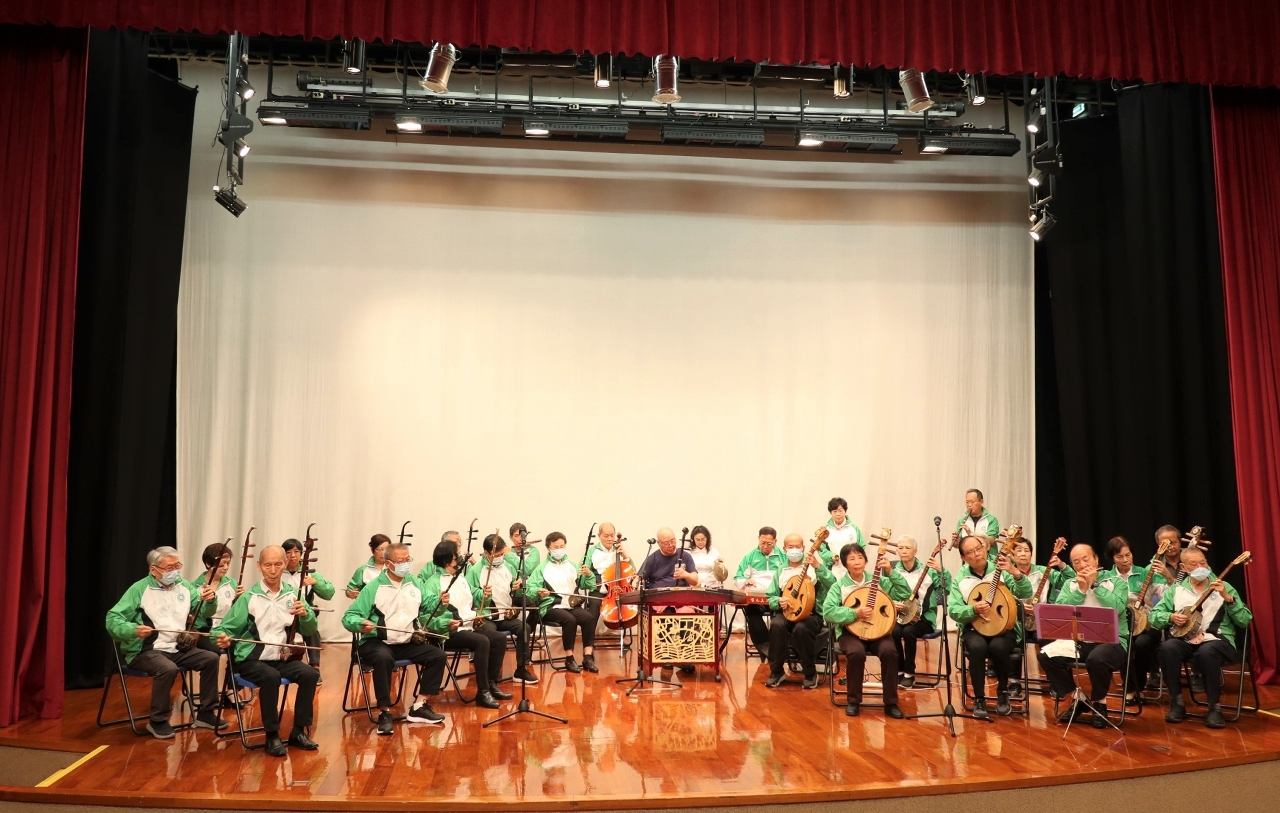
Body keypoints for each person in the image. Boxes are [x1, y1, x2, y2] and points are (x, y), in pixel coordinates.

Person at [105, 546, 224, 739]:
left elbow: (202, 613)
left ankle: (206, 713)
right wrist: (133, 630)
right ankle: (157, 720)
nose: (175, 571)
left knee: (210, 658)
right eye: (170, 568)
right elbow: (113, 619)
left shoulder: (184, 586)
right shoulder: (139, 589)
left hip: (178, 647)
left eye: (178, 566)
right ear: (153, 570)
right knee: (167, 668)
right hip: (146, 650)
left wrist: (210, 601)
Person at [213, 545, 319, 756]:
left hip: (281, 658)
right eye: (268, 565)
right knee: (271, 676)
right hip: (252, 659)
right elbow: (223, 629)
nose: (273, 570)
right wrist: (222, 637)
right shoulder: (249, 597)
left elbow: (310, 630)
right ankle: (272, 735)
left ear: (285, 564)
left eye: (278, 564)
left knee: (310, 674)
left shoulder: (293, 595)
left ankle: (298, 731)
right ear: (259, 566)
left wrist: (306, 615)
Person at [341, 542, 448, 734]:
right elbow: (350, 616)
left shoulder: (415, 582)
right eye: (401, 561)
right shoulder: (373, 587)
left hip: (406, 641)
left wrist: (441, 602)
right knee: (383, 658)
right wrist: (361, 623)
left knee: (437, 655)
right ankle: (385, 711)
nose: (406, 564)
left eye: (408, 559)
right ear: (388, 563)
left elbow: (429, 606)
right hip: (377, 642)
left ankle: (419, 706)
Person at [1151, 546, 1253, 729]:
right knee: (1167, 648)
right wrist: (1170, 617)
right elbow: (1154, 616)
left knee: (1207, 652)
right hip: (1186, 640)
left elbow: (1244, 620)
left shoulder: (1224, 587)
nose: (1200, 567)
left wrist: (1227, 598)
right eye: (1194, 564)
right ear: (1183, 567)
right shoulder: (1176, 590)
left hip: (1218, 641)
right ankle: (1177, 702)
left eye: (1203, 563)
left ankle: (1214, 707)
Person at [1037, 543, 1130, 728]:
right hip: (1080, 640)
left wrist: (1094, 585)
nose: (1081, 565)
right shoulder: (1070, 584)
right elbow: (1061, 610)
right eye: (1076, 562)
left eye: (1085, 559)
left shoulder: (1116, 581)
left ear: (1096, 559)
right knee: (1045, 655)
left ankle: (1100, 703)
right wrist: (1080, 590)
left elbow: (1118, 608)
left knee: (1097, 659)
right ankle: (1079, 698)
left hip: (1113, 641)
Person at [947, 535, 1032, 719]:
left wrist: (1015, 572)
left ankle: (1003, 691)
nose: (977, 554)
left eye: (979, 548)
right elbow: (953, 610)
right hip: (974, 627)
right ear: (963, 557)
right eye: (970, 552)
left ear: (986, 548)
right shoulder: (960, 579)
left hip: (1004, 626)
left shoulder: (1001, 569)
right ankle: (979, 698)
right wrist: (972, 609)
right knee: (977, 647)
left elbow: (1026, 592)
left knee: (998, 646)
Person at [823, 542, 909, 717]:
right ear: (845, 563)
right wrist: (854, 613)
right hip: (850, 632)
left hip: (879, 631)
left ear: (866, 560)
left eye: (860, 557)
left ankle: (891, 702)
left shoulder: (878, 581)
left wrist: (891, 572)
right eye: (852, 558)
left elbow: (905, 594)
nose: (857, 562)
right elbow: (828, 612)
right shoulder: (839, 586)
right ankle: (853, 701)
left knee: (890, 652)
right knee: (856, 653)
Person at [424, 539, 511, 708]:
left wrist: (484, 594)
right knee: (482, 641)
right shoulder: (433, 583)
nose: (460, 559)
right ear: (446, 560)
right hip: (449, 631)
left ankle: (492, 683)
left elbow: (474, 597)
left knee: (499, 638)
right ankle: (483, 692)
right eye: (456, 557)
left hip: (469, 625)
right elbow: (426, 616)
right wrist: (445, 623)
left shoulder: (460, 577)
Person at [764, 533, 834, 690]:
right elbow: (771, 596)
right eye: (791, 547)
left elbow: (832, 583)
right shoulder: (781, 570)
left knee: (801, 628)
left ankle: (810, 673)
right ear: (784, 549)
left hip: (811, 614)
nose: (794, 550)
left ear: (803, 548)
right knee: (776, 624)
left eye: (797, 547)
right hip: (788, 612)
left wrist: (818, 566)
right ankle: (777, 672)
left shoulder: (813, 566)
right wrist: (778, 601)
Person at [468, 533, 540, 685]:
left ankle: (521, 670)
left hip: (505, 615)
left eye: (502, 554)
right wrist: (482, 594)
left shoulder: (508, 567)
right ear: (486, 553)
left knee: (524, 628)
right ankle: (491, 679)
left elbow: (515, 593)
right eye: (497, 555)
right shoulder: (475, 571)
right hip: (487, 617)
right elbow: (469, 596)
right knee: (495, 637)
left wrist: (518, 587)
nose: (500, 557)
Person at [530, 532, 599, 673]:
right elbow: (530, 588)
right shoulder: (542, 568)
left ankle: (587, 657)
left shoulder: (572, 565)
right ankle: (569, 658)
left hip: (571, 605)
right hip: (551, 606)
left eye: (562, 546)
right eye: (556, 547)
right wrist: (538, 591)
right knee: (569, 620)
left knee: (588, 618)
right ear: (548, 548)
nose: (559, 550)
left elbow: (587, 585)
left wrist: (588, 575)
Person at [1105, 535, 1164, 702]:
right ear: (1112, 558)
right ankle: (1131, 688)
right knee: (1126, 643)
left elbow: (1167, 595)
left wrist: (1167, 576)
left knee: (1142, 643)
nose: (1125, 560)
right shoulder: (1106, 577)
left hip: (1147, 624)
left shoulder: (1145, 573)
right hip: (1121, 625)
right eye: (1119, 556)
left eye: (1128, 555)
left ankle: (1138, 686)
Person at [890, 534, 948, 688]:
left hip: (924, 617)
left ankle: (909, 673)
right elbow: (886, 594)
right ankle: (899, 670)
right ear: (897, 551)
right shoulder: (893, 571)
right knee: (894, 631)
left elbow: (946, 589)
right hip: (901, 615)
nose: (904, 551)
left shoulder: (928, 571)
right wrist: (893, 604)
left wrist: (941, 570)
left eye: (908, 548)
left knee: (909, 632)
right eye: (900, 548)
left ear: (915, 551)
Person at [281, 538, 336, 673]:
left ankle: (314, 666)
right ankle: (283, 663)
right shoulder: (279, 571)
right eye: (288, 552)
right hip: (282, 614)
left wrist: (316, 582)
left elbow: (329, 593)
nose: (293, 556)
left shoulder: (310, 572)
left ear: (301, 554)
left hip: (303, 614)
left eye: (296, 551)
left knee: (312, 631)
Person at [734, 527, 785, 658]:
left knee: (780, 616)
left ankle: (777, 648)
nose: (765, 547)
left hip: (776, 597)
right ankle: (764, 646)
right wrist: (746, 581)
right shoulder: (750, 557)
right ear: (758, 539)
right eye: (762, 543)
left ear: (775, 541)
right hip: (757, 597)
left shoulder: (783, 557)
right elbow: (738, 577)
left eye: (769, 544)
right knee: (751, 610)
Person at [192, 542, 242, 656]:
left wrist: (242, 598)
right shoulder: (194, 587)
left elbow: (238, 613)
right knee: (214, 650)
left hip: (228, 631)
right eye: (221, 565)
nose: (226, 568)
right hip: (205, 633)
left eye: (228, 563)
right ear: (208, 564)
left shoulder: (233, 584)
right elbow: (196, 618)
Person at [822, 498, 864, 577]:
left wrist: (854, 559)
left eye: (840, 511)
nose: (838, 514)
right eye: (835, 511)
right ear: (831, 513)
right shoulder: (825, 530)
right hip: (833, 568)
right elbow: (821, 549)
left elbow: (861, 547)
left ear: (845, 511)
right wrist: (831, 556)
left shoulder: (854, 528)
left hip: (851, 567)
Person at [346, 534, 391, 599]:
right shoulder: (363, 570)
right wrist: (350, 593)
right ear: (372, 549)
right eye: (379, 549)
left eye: (386, 550)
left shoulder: (395, 568)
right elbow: (351, 588)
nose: (383, 553)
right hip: (369, 604)